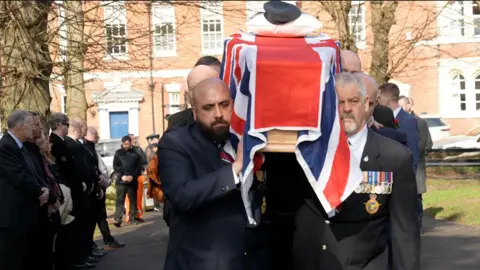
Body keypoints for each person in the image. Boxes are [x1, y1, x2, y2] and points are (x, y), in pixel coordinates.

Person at [292, 72, 420, 270]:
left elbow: (404, 232)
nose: (346, 109)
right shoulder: (303, 153)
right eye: (339, 102)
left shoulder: (394, 157)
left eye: (353, 101)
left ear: (366, 103)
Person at [158, 78, 248, 270]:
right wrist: (234, 170)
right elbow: (182, 195)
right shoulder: (176, 143)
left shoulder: (245, 139)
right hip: (201, 261)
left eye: (224, 105)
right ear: (195, 112)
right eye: (208, 107)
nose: (218, 114)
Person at [0, 110, 49, 270]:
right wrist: (40, 191)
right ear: (21, 126)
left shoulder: (23, 147)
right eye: (31, 125)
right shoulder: (5, 146)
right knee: (13, 261)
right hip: (13, 217)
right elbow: (19, 175)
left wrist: (44, 188)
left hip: (25, 214)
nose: (34, 129)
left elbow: (34, 172)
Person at [84, 126, 125, 250]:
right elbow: (93, 168)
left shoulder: (91, 148)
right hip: (95, 188)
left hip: (99, 187)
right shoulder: (87, 148)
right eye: (96, 135)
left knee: (101, 218)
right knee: (96, 219)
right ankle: (98, 243)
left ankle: (106, 241)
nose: (98, 138)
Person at [399, 96, 432, 231]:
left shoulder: (420, 122)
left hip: (416, 165)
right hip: (400, 166)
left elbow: (425, 143)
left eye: (402, 107)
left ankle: (417, 225)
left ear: (409, 107)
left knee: (416, 197)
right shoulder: (395, 122)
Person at [167, 59, 220, 130]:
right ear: (188, 96)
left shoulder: (232, 118)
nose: (202, 93)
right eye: (195, 88)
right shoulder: (178, 123)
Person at [378, 83, 420, 170]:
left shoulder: (408, 120)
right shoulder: (378, 118)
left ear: (387, 98)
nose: (377, 101)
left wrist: (408, 179)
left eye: (379, 98)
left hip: (401, 173)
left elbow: (413, 152)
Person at [112, 135, 144, 227]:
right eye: (124, 144)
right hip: (121, 181)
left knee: (133, 200)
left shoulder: (136, 152)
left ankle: (133, 218)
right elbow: (116, 166)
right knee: (120, 200)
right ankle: (118, 219)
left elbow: (139, 167)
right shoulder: (118, 153)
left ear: (130, 143)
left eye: (127, 143)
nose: (126, 145)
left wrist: (132, 176)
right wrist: (122, 176)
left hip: (132, 180)